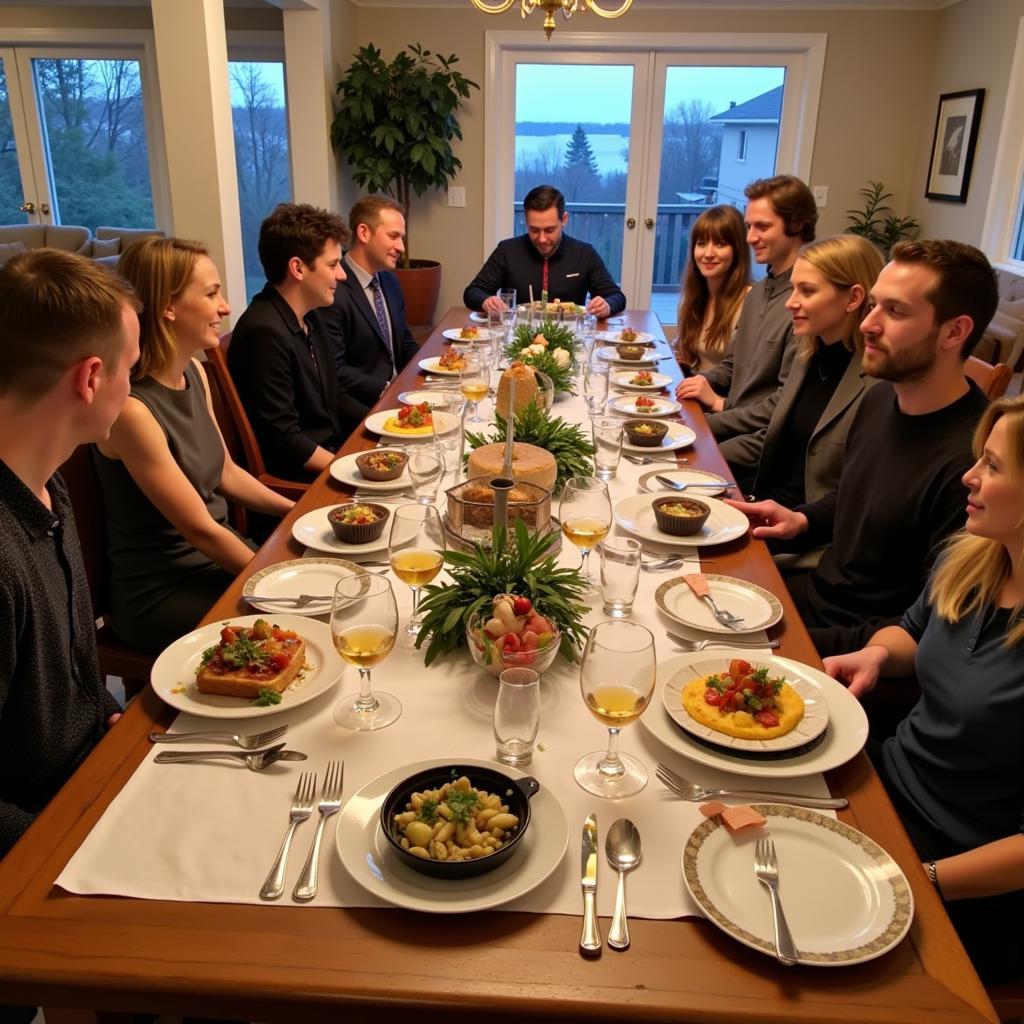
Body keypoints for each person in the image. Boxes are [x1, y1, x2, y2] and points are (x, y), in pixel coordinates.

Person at [824, 396, 1024, 986]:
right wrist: (879, 654)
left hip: (963, 872)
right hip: (886, 788)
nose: (970, 475)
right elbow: (915, 629)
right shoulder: (978, 557)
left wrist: (922, 878)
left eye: (993, 465)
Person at [728, 239, 996, 656]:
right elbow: (859, 497)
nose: (869, 323)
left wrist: (791, 647)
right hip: (815, 597)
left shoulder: (973, 460)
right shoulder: (877, 399)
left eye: (895, 311)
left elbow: (934, 624)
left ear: (955, 331)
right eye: (874, 305)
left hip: (857, 642)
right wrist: (801, 521)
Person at [0, 249, 139, 865]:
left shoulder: (47, 484)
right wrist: (68, 839)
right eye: (129, 369)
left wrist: (115, 726)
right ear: (89, 379)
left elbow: (78, 682)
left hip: (92, 784)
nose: (132, 387)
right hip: (43, 849)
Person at [93, 237, 294, 655]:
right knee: (304, 627)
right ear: (168, 307)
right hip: (163, 593)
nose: (225, 307)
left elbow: (227, 473)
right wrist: (273, 579)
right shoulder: (132, 411)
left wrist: (300, 512)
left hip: (217, 565)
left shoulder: (196, 374)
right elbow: (199, 530)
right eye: (211, 294)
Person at [677, 175, 817, 471]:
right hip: (734, 422)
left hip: (761, 443)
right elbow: (731, 365)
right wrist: (697, 383)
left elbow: (781, 406)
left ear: (797, 224)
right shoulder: (758, 294)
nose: (751, 237)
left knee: (676, 458)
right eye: (750, 226)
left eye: (762, 227)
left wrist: (710, 415)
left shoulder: (804, 303)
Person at [748, 234, 883, 509]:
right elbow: (775, 440)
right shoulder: (809, 352)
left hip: (806, 530)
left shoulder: (877, 384)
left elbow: (861, 496)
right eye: (793, 289)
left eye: (807, 291)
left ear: (854, 298)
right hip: (763, 501)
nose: (790, 303)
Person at [229, 203, 364, 478]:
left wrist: (384, 422)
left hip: (328, 456)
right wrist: (349, 469)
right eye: (333, 264)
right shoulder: (263, 332)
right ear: (298, 268)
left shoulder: (310, 317)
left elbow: (335, 394)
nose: (342, 275)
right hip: (301, 481)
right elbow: (285, 441)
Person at [320, 196, 420, 421]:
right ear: (364, 233)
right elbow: (334, 370)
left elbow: (403, 341)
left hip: (401, 396)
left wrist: (425, 371)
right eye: (393, 236)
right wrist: (388, 387)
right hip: (364, 408)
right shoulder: (332, 289)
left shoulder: (390, 281)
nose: (401, 248)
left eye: (401, 238)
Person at [463, 184, 626, 318]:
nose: (541, 239)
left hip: (570, 336)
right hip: (519, 336)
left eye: (549, 230)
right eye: (534, 230)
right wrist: (486, 301)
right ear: (526, 221)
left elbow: (616, 296)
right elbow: (472, 292)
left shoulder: (584, 253)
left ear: (564, 220)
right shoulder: (507, 250)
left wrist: (606, 305)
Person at [672, 204, 751, 374]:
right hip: (692, 388)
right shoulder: (692, 297)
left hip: (721, 398)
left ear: (738, 250)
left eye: (720, 244)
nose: (708, 253)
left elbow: (744, 373)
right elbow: (683, 353)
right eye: (701, 243)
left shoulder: (750, 301)